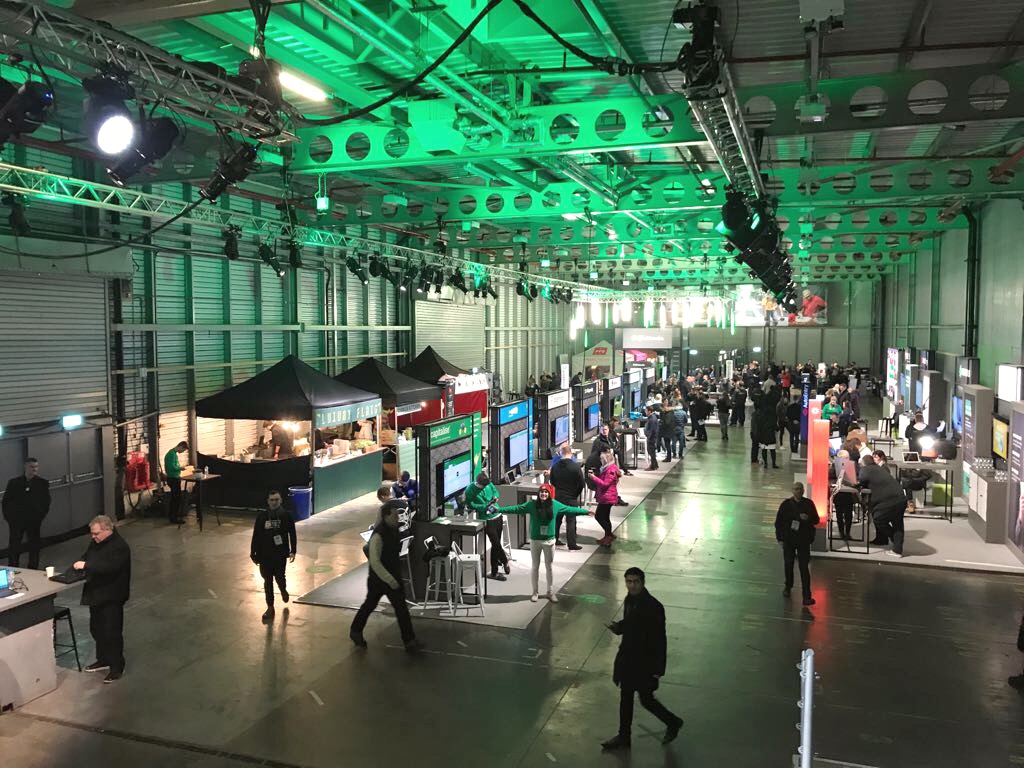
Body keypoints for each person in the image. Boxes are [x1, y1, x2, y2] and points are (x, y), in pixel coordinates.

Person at [601, 567, 683, 751]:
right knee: (626, 697)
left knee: (646, 699)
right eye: (628, 581)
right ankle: (624, 736)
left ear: (643, 582)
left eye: (635, 581)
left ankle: (673, 721)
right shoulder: (630, 600)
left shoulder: (654, 607)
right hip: (629, 660)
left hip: (644, 663)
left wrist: (657, 671)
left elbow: (661, 640)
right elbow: (631, 624)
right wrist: (619, 627)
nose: (632, 585)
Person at [497, 484, 591, 602]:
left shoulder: (555, 505)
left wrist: (586, 512)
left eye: (546, 492)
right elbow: (516, 509)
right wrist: (499, 509)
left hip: (549, 541)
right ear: (539, 493)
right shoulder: (532, 505)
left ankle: (550, 592)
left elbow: (570, 509)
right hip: (536, 541)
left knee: (549, 567)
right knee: (535, 567)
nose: (544, 494)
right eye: (542, 492)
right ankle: (535, 592)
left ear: (549, 493)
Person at [350, 500, 421, 652]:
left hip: (392, 577)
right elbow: (375, 562)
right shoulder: (378, 536)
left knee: (401, 608)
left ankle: (410, 640)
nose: (398, 518)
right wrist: (389, 579)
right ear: (386, 516)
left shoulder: (393, 530)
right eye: (395, 515)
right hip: (379, 580)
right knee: (370, 605)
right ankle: (355, 631)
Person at [73, 515, 131, 683]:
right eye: (92, 534)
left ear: (107, 530)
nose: (93, 537)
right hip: (97, 594)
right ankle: (103, 658)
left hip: (112, 596)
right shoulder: (96, 543)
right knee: (96, 628)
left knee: (111, 631)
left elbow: (109, 568)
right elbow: (87, 556)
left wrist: (87, 566)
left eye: (96, 533)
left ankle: (117, 666)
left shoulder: (120, 547)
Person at [250, 489, 298, 622]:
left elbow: (292, 534)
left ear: (281, 500)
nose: (274, 502)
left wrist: (293, 550)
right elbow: (256, 535)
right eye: (272, 500)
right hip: (264, 555)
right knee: (267, 581)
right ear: (268, 501)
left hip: (280, 554)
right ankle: (270, 607)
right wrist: (253, 553)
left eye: (277, 499)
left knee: (280, 577)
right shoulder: (262, 517)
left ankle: (283, 589)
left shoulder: (286, 516)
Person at [774, 483, 819, 606]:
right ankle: (788, 586)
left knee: (804, 567)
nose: (798, 491)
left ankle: (806, 596)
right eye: (796, 489)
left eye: (800, 489)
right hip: (789, 540)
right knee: (789, 564)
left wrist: (808, 518)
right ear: (792, 490)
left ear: (803, 490)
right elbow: (778, 523)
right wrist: (780, 539)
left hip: (803, 540)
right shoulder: (786, 505)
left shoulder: (809, 504)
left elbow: (816, 520)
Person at [3, 457, 50, 569]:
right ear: (25, 467)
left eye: (36, 467)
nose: (34, 469)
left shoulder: (42, 483)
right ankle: (13, 566)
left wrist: (40, 517)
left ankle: (33, 566)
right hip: (17, 520)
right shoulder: (14, 483)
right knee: (14, 545)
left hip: (34, 520)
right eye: (31, 467)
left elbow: (46, 502)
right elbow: (7, 501)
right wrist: (9, 518)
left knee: (34, 545)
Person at [464, 472, 510, 580]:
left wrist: (496, 497)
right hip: (486, 519)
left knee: (495, 545)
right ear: (478, 483)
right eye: (483, 486)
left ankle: (494, 572)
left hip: (497, 515)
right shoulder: (470, 490)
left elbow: (496, 492)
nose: (485, 487)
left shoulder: (488, 483)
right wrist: (484, 507)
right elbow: (470, 504)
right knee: (496, 542)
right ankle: (504, 560)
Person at [858, 454, 906, 556]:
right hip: (901, 497)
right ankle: (897, 549)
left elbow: (860, 481)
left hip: (889, 500)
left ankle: (894, 540)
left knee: (878, 519)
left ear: (863, 463)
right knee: (898, 524)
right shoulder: (879, 469)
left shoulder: (865, 470)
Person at [550, 444, 586, 551]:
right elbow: (581, 483)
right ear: (571, 452)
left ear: (561, 453)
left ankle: (554, 540)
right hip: (571, 498)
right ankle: (572, 544)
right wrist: (575, 494)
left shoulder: (555, 467)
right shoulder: (575, 467)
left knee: (557, 520)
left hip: (558, 497)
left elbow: (552, 481)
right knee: (571, 521)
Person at [589, 450, 622, 546]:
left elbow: (605, 484)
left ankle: (608, 536)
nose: (600, 460)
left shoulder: (610, 470)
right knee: (605, 517)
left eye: (602, 459)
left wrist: (593, 478)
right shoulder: (607, 468)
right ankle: (608, 534)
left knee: (599, 516)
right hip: (606, 497)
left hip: (607, 498)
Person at [163, 441, 188, 523]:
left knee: (176, 498)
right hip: (173, 478)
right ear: (180, 446)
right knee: (176, 498)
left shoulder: (173, 454)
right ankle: (174, 518)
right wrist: (180, 468)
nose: (182, 452)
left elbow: (174, 465)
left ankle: (174, 516)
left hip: (174, 477)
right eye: (183, 450)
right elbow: (172, 467)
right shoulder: (171, 454)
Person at [644, 406, 660, 471]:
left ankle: (653, 466)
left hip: (651, 438)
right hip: (651, 437)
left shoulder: (652, 419)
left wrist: (649, 438)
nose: (645, 412)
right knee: (651, 451)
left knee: (651, 452)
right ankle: (655, 465)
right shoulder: (651, 418)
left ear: (649, 411)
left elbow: (652, 430)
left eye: (646, 411)